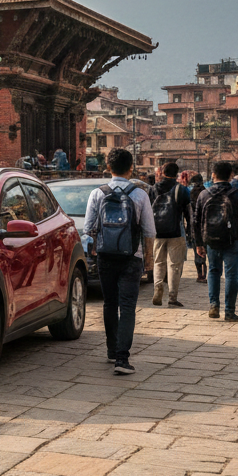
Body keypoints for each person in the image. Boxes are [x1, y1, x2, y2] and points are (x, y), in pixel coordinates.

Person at [83, 147, 156, 375]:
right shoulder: (140, 194)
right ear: (131, 168)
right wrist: (149, 261)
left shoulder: (97, 193)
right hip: (131, 257)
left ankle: (112, 350)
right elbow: (149, 231)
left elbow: (88, 228)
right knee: (127, 307)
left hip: (105, 256)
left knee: (109, 303)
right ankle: (122, 359)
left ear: (108, 167)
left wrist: (96, 248)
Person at [195, 160, 238, 321]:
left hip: (211, 239)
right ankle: (229, 311)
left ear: (213, 175)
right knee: (231, 275)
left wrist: (198, 243)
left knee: (213, 271)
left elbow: (196, 220)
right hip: (233, 239)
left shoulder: (204, 194)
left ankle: (214, 305)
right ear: (231, 175)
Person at [149, 162, 192, 307]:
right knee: (174, 265)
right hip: (176, 231)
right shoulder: (181, 189)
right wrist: (190, 233)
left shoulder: (153, 189)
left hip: (157, 231)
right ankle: (172, 297)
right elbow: (188, 214)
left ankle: (158, 287)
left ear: (161, 172)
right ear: (177, 174)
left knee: (158, 262)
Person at [189, 174, 206, 282]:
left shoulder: (190, 193)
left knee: (197, 251)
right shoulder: (206, 192)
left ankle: (200, 275)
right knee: (205, 251)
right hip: (206, 225)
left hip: (194, 225)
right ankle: (205, 274)